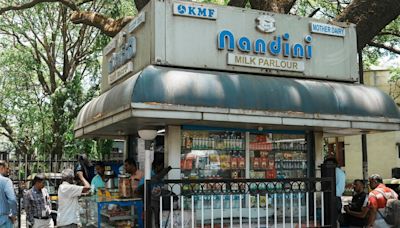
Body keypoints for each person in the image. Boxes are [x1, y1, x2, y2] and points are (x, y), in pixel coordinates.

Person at [325, 157, 346, 221]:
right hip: (338, 197)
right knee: (336, 218)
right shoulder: (341, 172)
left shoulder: (333, 172)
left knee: (330, 218)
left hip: (332, 197)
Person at [0, 160, 17, 228]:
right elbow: (12, 200)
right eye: (7, 168)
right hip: (3, 220)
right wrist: (13, 214)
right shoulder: (6, 181)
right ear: (1, 168)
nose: (8, 170)